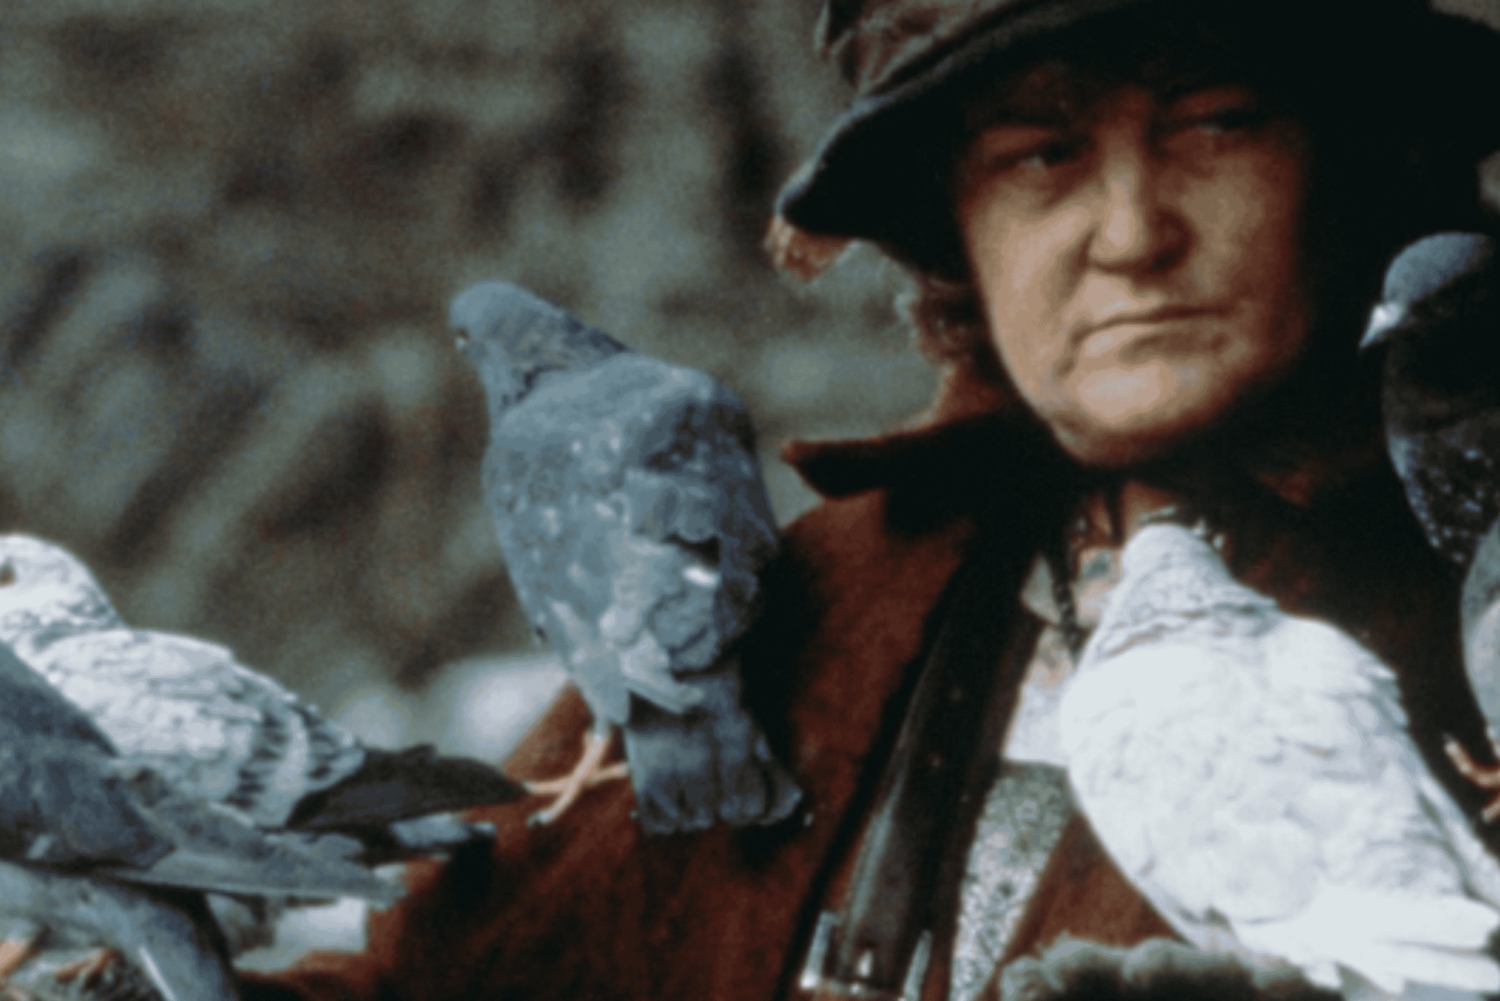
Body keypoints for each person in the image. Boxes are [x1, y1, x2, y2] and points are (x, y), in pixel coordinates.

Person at [244, 1, 1500, 999]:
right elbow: (437, 978)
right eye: (1041, 153)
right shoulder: (821, 607)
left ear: (1350, 160)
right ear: (958, 228)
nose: (1130, 232)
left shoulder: (1474, 593)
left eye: (1216, 123)